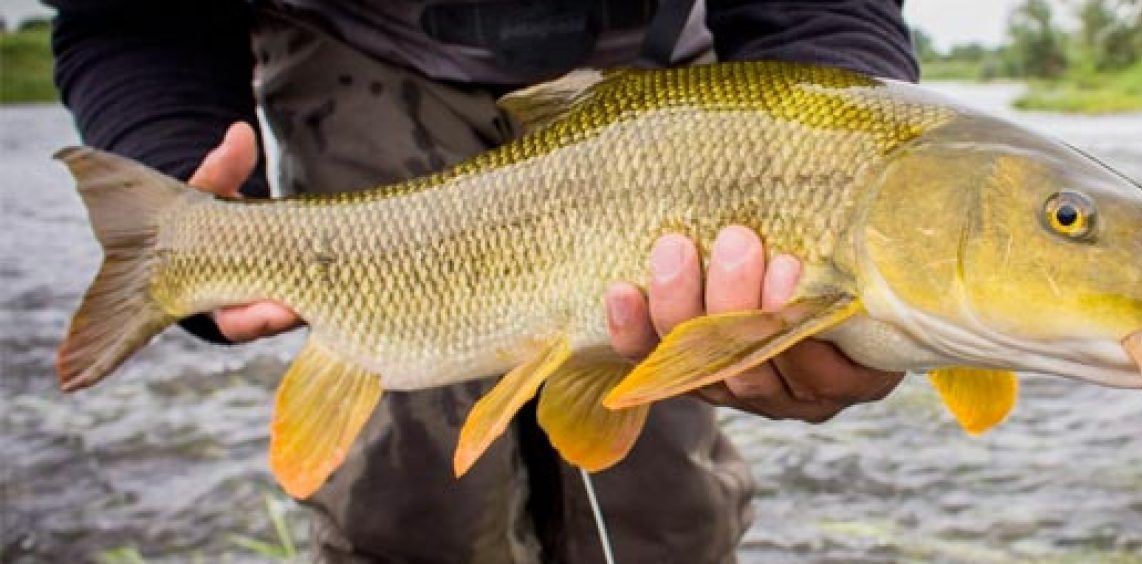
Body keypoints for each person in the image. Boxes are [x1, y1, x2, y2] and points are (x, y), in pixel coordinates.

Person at [49, 1, 917, 561]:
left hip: (669, 97)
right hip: (358, 47)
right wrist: (178, 164)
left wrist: (841, 158)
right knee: (414, 499)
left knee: (660, 505)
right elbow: (125, 15)